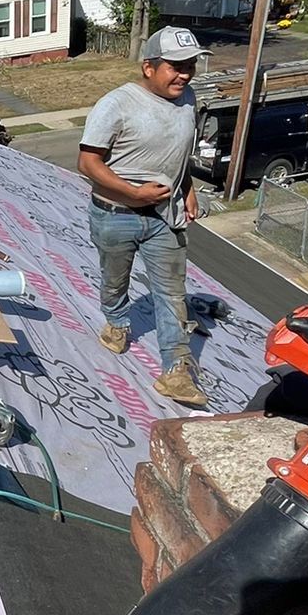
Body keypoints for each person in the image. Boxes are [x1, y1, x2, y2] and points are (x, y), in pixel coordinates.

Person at [77, 25, 207, 408]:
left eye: (190, 66)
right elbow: (87, 162)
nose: (184, 75)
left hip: (164, 216)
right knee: (115, 280)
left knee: (172, 292)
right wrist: (133, 193)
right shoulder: (116, 105)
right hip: (115, 214)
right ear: (148, 67)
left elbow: (178, 155)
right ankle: (117, 321)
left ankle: (176, 371)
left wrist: (187, 188)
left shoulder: (188, 100)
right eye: (176, 66)